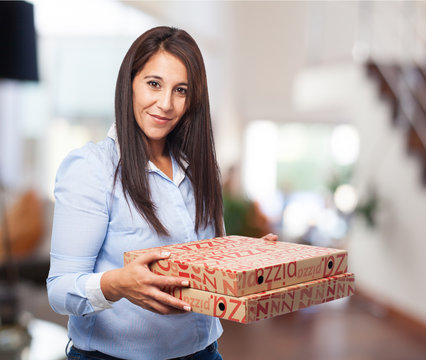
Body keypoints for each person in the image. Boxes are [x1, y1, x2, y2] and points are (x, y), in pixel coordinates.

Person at [47, 26, 276, 360]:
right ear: (130, 83)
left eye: (180, 90)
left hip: (204, 352)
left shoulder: (199, 166)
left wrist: (247, 257)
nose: (165, 104)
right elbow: (59, 290)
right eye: (153, 84)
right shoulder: (92, 168)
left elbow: (207, 262)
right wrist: (118, 284)